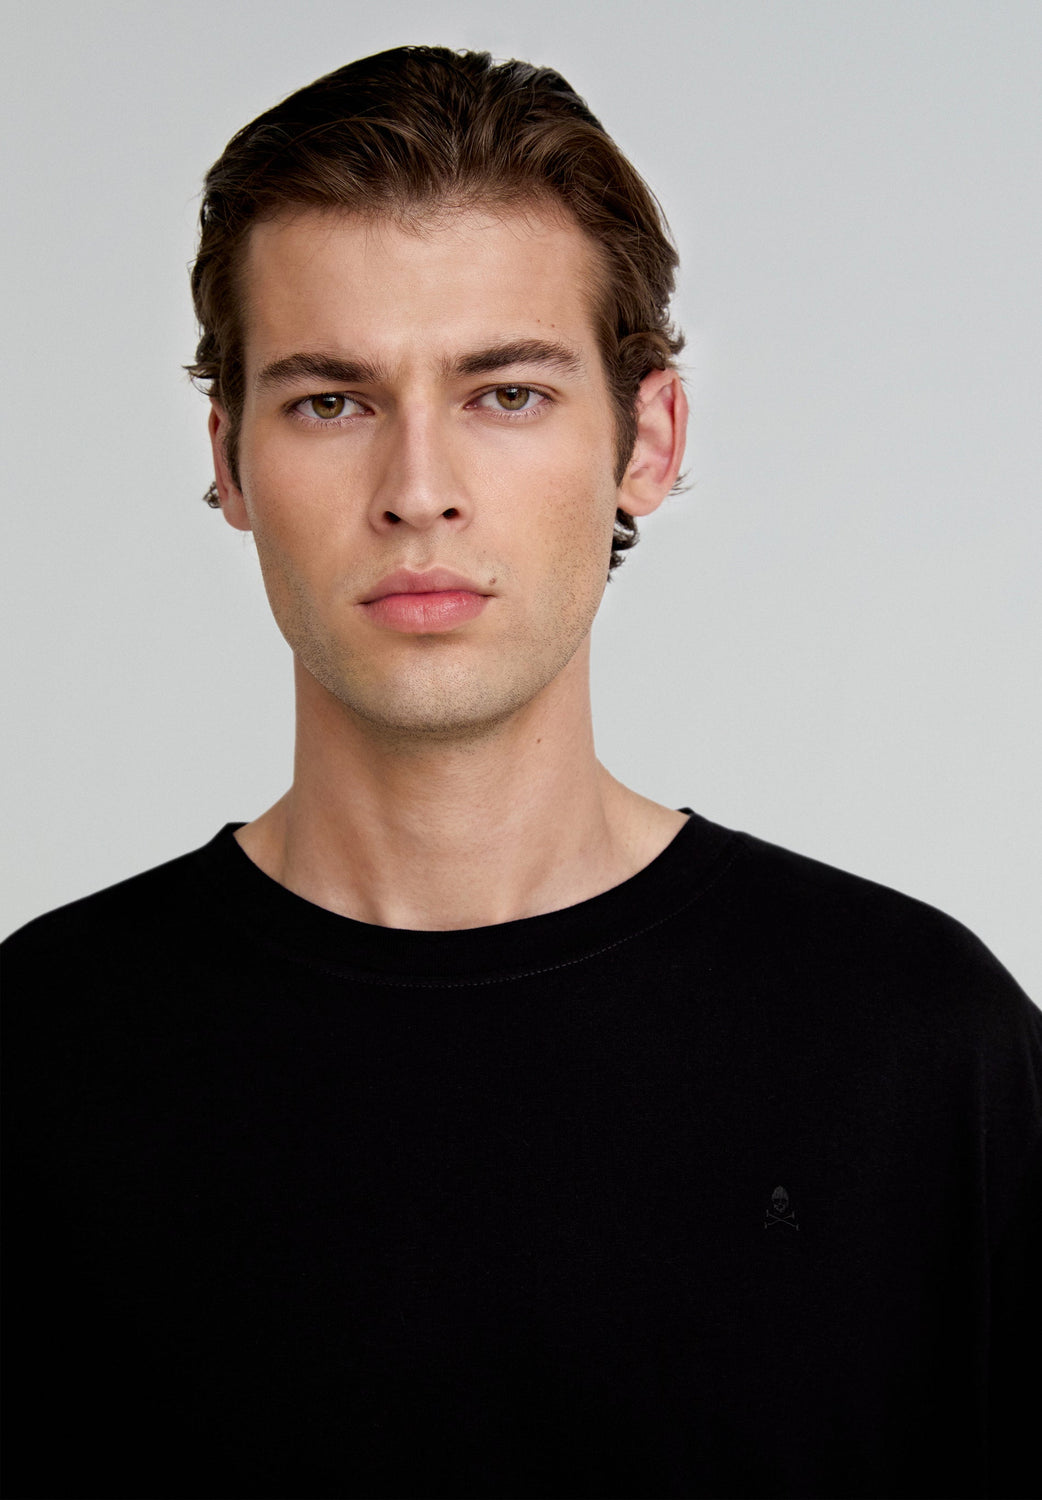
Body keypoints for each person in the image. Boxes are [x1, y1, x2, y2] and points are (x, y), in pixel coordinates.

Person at [2, 46, 1039, 1500]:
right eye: (331, 402)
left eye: (504, 394)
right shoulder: (34, 1058)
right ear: (228, 460)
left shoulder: (918, 1051)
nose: (418, 490)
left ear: (647, 440)